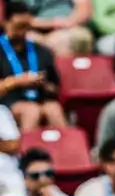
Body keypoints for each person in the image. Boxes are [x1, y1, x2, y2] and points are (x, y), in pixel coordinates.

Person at [0, 2, 68, 132]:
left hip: (40, 99)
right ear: (6, 23)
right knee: (31, 112)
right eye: (19, 26)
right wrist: (16, 81)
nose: (23, 32)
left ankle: (67, 144)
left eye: (27, 27)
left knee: (54, 109)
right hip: (8, 103)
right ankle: (26, 145)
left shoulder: (41, 51)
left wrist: (43, 84)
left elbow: (56, 88)